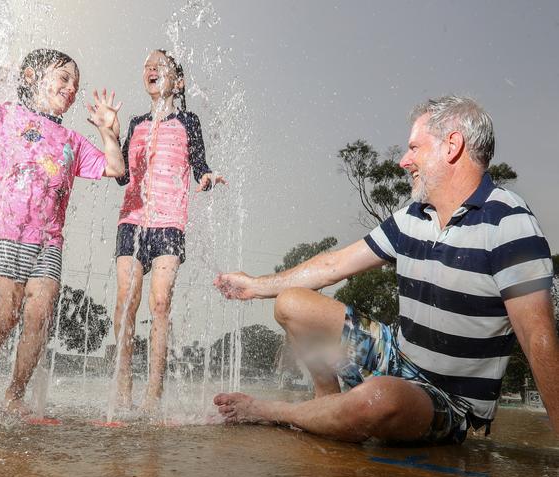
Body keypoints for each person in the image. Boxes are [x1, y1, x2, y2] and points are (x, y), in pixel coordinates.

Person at [213, 95, 559, 444]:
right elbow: (333, 264)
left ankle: (272, 412)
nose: (403, 161)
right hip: (396, 354)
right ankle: (326, 406)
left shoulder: (509, 223)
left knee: (379, 400)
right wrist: (255, 286)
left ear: (452, 146)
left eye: (414, 148)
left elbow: (537, 339)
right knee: (290, 303)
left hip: (448, 402)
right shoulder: (412, 216)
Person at [0, 48, 125, 415]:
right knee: (4, 313)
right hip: (4, 231)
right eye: (64, 77)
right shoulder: (9, 116)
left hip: (48, 242)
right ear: (33, 78)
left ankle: (14, 395)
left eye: (76, 83)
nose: (72, 88)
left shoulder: (72, 141)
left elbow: (116, 168)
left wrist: (108, 131)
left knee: (39, 314)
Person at [112, 49, 226, 413]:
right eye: (147, 65)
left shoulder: (188, 122)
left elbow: (200, 165)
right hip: (132, 221)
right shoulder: (135, 123)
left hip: (169, 226)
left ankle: (153, 395)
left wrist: (206, 177)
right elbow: (122, 178)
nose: (151, 69)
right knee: (125, 301)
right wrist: (110, 135)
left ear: (178, 82)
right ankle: (125, 385)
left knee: (159, 303)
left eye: (160, 66)